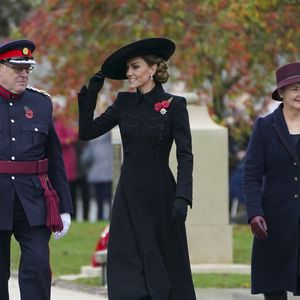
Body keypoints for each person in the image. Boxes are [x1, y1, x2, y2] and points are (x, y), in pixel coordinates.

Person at [78, 37, 196, 299]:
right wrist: (90, 95)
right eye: (128, 69)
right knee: (126, 258)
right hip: (129, 193)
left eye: (135, 67)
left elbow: (186, 155)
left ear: (153, 69)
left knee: (164, 260)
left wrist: (182, 197)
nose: (129, 73)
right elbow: (86, 132)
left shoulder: (175, 106)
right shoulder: (123, 103)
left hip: (162, 193)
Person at [0, 39, 73, 300]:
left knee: (38, 267)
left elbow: (54, 158)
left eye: (27, 68)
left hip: (33, 200)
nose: (23, 74)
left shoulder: (41, 103)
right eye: (16, 68)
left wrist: (64, 207)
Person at [243, 62, 300, 300]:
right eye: (295, 88)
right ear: (282, 93)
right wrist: (255, 213)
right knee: (274, 287)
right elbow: (251, 174)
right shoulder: (265, 127)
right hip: (274, 218)